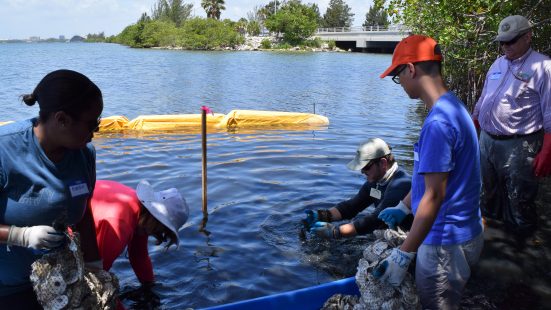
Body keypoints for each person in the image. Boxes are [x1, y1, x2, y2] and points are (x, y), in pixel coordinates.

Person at [375, 35, 484, 309]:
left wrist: (404, 252)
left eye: (398, 76)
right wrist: (404, 205)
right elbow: (436, 177)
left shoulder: (437, 123)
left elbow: (434, 196)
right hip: (466, 231)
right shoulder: (455, 107)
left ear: (410, 69)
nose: (400, 85)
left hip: (443, 245)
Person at [0, 69, 103, 309]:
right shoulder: (5, 150)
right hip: (7, 288)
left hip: (58, 284)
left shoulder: (84, 155)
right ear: (61, 119)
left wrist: (95, 264)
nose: (95, 132)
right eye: (91, 123)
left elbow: (84, 213)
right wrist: (20, 236)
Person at [472, 15, 551, 237]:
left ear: (528, 36)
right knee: (488, 196)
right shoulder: (497, 63)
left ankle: (522, 251)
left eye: (511, 41)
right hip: (487, 141)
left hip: (519, 145)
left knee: (520, 202)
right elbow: (482, 99)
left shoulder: (543, 67)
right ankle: (492, 245)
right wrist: (473, 126)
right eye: (502, 42)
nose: (505, 46)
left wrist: (547, 151)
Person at [303, 138, 411, 239]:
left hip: (406, 236)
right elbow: (352, 206)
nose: (362, 171)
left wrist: (335, 231)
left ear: (383, 163)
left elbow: (375, 220)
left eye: (365, 167)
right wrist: (323, 215)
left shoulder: (401, 185)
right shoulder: (376, 180)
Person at [90, 179, 189, 287]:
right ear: (157, 220)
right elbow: (96, 276)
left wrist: (149, 287)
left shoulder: (141, 211)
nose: (157, 234)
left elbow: (139, 257)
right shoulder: (121, 223)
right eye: (161, 230)